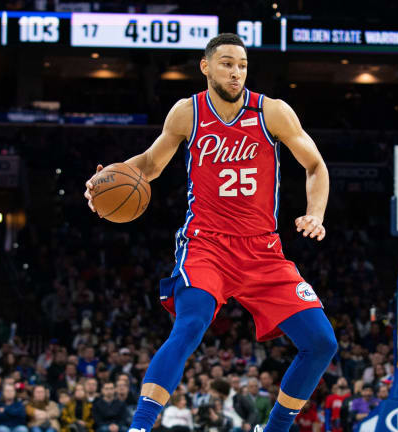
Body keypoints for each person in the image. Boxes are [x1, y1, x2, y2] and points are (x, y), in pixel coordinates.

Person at [83, 32, 336, 432]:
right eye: (227, 64)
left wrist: (315, 213)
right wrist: (107, 180)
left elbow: (316, 165)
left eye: (242, 65)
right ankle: (140, 426)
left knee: (322, 343)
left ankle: (274, 429)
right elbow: (150, 164)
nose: (236, 73)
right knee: (191, 324)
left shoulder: (272, 112)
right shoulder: (188, 112)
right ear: (206, 67)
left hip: (262, 250)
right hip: (207, 245)